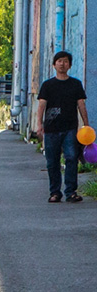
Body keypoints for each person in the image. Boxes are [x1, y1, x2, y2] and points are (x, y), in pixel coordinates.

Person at [36, 50, 89, 203]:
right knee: (52, 162)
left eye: (65, 61)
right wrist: (39, 124)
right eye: (59, 61)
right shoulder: (48, 85)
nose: (62, 64)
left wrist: (86, 125)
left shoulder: (75, 84)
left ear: (70, 65)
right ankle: (55, 192)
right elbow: (41, 106)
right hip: (51, 129)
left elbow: (81, 105)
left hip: (70, 129)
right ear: (54, 64)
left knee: (72, 158)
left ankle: (71, 192)